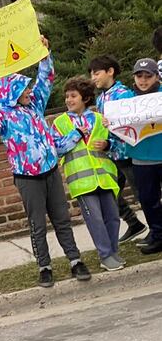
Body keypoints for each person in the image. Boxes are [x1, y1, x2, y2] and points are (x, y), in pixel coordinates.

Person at [0, 37, 89, 287]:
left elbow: (45, 79)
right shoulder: (3, 117)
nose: (28, 91)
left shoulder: (35, 105)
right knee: (37, 225)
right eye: (23, 89)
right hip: (27, 178)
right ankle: (44, 266)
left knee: (62, 219)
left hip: (50, 172)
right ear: (12, 92)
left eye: (27, 88)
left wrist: (44, 52)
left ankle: (75, 260)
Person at [51, 76, 124, 270]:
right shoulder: (60, 122)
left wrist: (108, 145)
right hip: (82, 182)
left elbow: (116, 143)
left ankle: (114, 251)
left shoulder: (100, 119)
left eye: (73, 96)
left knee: (112, 217)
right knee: (96, 220)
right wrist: (75, 135)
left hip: (105, 177)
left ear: (85, 98)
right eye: (66, 96)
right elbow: (56, 149)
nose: (68, 100)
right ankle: (105, 255)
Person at [89, 55, 147, 243]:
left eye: (96, 73)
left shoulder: (123, 94)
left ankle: (157, 229)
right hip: (112, 154)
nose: (93, 78)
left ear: (110, 71)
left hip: (128, 153)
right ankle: (134, 223)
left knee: (142, 194)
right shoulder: (101, 98)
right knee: (110, 192)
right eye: (91, 74)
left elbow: (133, 122)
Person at [127, 58, 162, 254]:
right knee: (148, 200)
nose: (143, 80)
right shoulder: (128, 101)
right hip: (141, 158)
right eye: (139, 76)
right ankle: (158, 236)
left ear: (156, 76)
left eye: (148, 76)